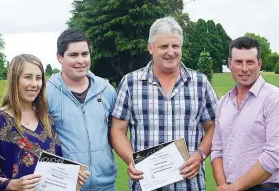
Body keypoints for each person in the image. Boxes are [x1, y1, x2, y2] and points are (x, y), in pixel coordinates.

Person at [110, 16, 219, 191]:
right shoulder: (131, 83)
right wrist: (132, 160)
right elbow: (117, 130)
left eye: (175, 46)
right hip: (146, 184)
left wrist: (200, 154)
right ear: (150, 47)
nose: (171, 52)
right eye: (163, 46)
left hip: (189, 185)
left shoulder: (200, 82)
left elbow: (214, 126)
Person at [0, 54, 90, 191]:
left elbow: (58, 166)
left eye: (38, 78)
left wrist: (73, 177)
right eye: (27, 77)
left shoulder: (46, 119)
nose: (34, 84)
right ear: (15, 80)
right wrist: (12, 185)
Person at [46, 28, 117, 190]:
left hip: (105, 184)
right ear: (59, 57)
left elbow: (115, 134)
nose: (81, 60)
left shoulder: (107, 90)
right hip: (66, 185)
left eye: (85, 54)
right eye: (73, 55)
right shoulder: (47, 93)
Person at [211, 37, 279, 191]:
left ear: (259, 64)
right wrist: (224, 187)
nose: (244, 68)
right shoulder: (223, 103)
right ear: (230, 64)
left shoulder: (274, 99)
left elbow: (275, 155)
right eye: (238, 62)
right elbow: (217, 150)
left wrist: (236, 187)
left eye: (250, 62)